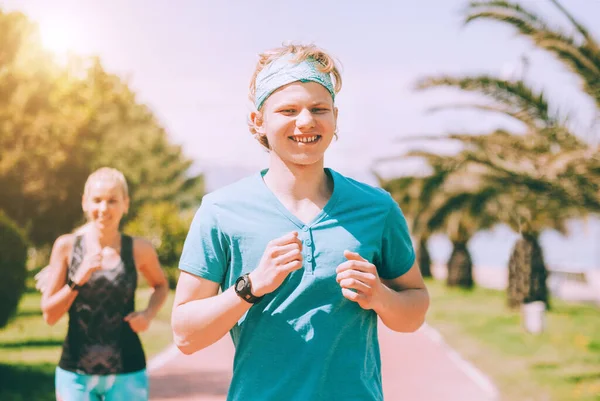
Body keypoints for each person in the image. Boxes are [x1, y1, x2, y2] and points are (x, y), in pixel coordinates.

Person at [171, 44, 430, 401]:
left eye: (319, 108)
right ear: (258, 121)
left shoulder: (377, 208)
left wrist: (381, 297)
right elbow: (185, 335)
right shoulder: (220, 211)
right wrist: (251, 287)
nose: (306, 121)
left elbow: (414, 310)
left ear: (335, 117)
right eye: (288, 110)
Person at [41, 167, 169, 401]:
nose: (103, 209)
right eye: (97, 200)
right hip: (75, 373)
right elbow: (49, 315)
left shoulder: (139, 249)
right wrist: (76, 280)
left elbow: (161, 285)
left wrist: (148, 314)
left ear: (125, 204)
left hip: (128, 370)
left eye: (112, 201)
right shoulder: (67, 247)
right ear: (84, 203)